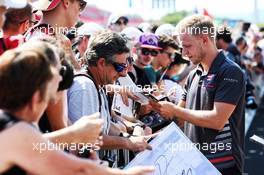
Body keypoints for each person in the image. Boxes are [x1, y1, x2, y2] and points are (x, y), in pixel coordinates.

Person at [0, 40, 154, 175]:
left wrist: (78, 137)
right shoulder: (17, 130)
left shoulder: (16, 125)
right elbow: (79, 169)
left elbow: (40, 147)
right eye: (56, 84)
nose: (63, 79)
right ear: (37, 94)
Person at [151, 15, 246, 175]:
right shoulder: (194, 74)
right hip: (194, 164)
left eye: (187, 46)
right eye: (182, 47)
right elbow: (180, 120)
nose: (184, 53)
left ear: (204, 40)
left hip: (223, 167)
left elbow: (217, 120)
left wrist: (174, 110)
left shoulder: (230, 71)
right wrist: (157, 107)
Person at [68, 30, 153, 153]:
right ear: (102, 63)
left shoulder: (99, 84)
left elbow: (105, 128)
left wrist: (132, 136)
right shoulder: (85, 87)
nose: (123, 73)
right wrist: (128, 143)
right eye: (120, 67)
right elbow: (86, 139)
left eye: (126, 66)